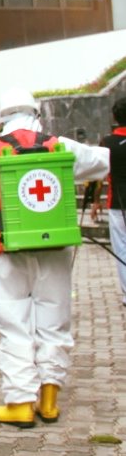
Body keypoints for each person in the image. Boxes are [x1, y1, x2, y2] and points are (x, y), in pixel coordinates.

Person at [0, 87, 109, 428]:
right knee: (55, 319)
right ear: (35, 113)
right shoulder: (60, 146)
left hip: (4, 249)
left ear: (1, 118)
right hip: (55, 247)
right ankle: (50, 401)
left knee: (14, 324)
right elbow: (102, 161)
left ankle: (20, 403)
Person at [99, 98, 126, 306]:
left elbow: (98, 173)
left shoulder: (107, 144)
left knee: (122, 249)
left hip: (118, 203)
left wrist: (94, 201)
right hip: (117, 204)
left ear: (115, 117)